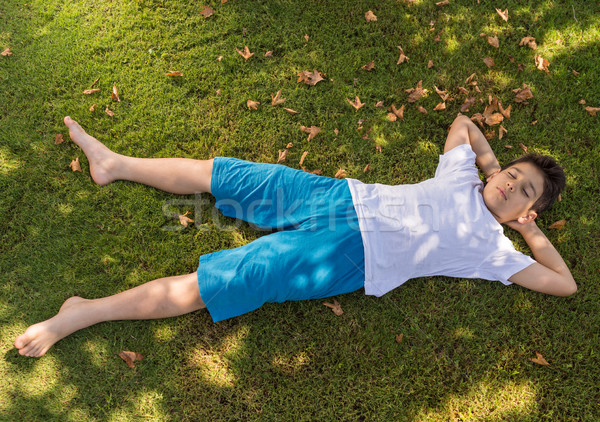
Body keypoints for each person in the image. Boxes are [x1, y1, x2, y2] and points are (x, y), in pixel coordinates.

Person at [14, 115, 576, 357]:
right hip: (340, 198)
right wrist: (489, 164)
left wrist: (529, 234)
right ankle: (116, 163)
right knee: (229, 176)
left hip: (345, 257)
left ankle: (83, 312)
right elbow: (464, 125)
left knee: (226, 279)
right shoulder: (463, 175)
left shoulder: (491, 249)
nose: (509, 186)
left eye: (525, 192)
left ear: (529, 213)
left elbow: (562, 284)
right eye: (512, 177)